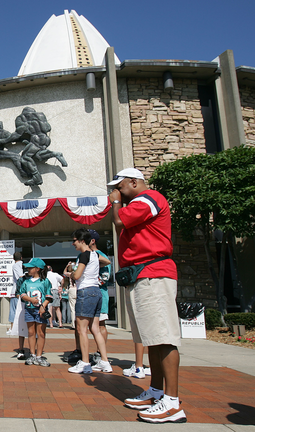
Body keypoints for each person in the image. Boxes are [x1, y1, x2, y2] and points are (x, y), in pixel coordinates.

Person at [108, 167, 184, 423]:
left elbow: (119, 221)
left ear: (133, 182)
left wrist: (117, 203)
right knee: (152, 337)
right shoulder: (140, 202)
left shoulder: (148, 198)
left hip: (154, 273)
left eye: (119, 187)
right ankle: (157, 391)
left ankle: (172, 403)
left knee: (163, 337)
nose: (115, 192)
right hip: (142, 274)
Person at [66, 228, 112, 375]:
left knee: (81, 329)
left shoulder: (84, 255)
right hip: (97, 292)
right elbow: (107, 261)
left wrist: (70, 273)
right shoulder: (94, 254)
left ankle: (85, 362)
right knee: (95, 329)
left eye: (74, 241)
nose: (73, 244)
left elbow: (77, 275)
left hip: (85, 292)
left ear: (81, 241)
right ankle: (104, 361)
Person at [17, 258, 52, 367]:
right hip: (29, 309)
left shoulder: (45, 281)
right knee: (31, 332)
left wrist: (43, 306)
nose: (27, 269)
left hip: (40, 310)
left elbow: (49, 296)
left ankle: (39, 356)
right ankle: (32, 354)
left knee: (41, 333)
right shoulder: (26, 281)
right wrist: (30, 299)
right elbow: (21, 294)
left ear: (37, 269)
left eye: (30, 268)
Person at [87, 229, 111, 363]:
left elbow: (105, 278)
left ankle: (100, 353)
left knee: (100, 325)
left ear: (92, 241)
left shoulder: (101, 256)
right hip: (87, 296)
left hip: (100, 295)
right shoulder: (84, 255)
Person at [7, 252, 24, 335]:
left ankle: (12, 328)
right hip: (23, 292)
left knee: (13, 311)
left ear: (13, 258)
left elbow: (20, 277)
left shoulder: (16, 265)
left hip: (16, 292)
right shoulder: (24, 265)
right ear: (21, 258)